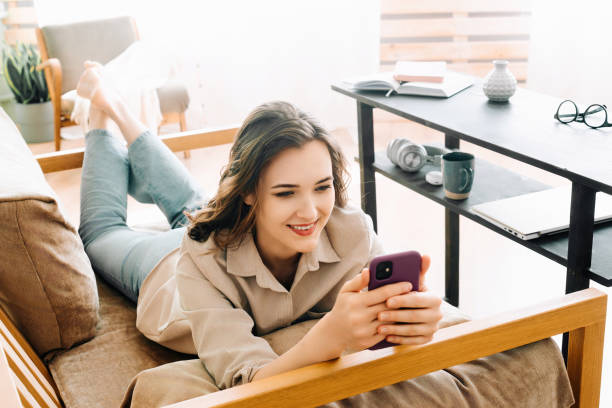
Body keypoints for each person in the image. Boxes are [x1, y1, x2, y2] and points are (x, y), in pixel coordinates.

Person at [77, 61, 438, 399]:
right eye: (286, 192)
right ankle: (100, 116)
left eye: (322, 186)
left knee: (195, 205)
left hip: (233, 223)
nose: (311, 212)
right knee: (99, 234)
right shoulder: (200, 259)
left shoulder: (352, 231)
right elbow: (250, 382)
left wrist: (413, 318)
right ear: (248, 192)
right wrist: (330, 336)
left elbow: (389, 312)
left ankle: (116, 105)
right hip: (168, 268)